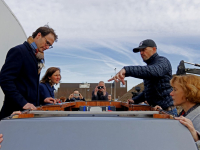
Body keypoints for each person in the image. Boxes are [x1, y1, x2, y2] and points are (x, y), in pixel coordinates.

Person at [0, 25, 58, 119]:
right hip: (14, 113)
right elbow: (5, 80)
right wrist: (23, 103)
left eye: (49, 46)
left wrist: (42, 99)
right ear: (38, 35)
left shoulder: (37, 57)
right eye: (47, 43)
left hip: (28, 113)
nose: (47, 47)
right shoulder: (19, 51)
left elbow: (29, 85)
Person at [108, 39, 176, 115]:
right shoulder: (149, 67)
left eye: (144, 50)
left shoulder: (163, 61)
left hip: (167, 112)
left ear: (154, 49)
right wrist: (135, 100)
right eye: (140, 51)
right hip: (156, 111)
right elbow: (149, 91)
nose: (141, 53)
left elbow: (154, 71)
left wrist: (127, 70)